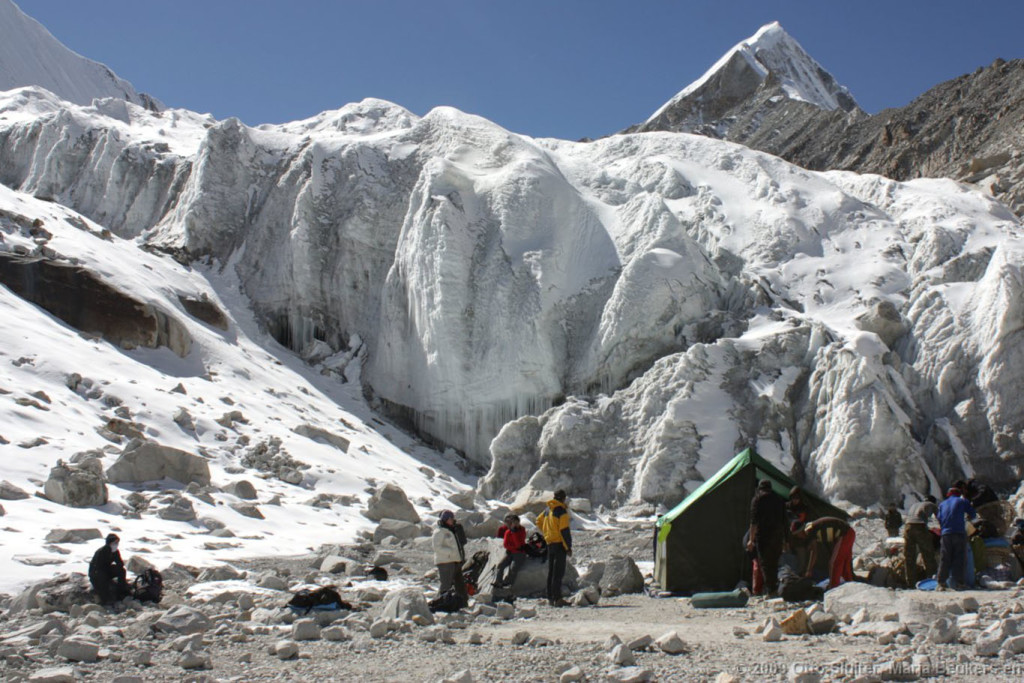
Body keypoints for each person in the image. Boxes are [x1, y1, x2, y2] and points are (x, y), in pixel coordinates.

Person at [746, 480, 787, 596]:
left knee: (765, 563)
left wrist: (751, 540)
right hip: (778, 536)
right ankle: (774, 589)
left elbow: (753, 522)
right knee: (774, 562)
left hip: (764, 536)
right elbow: (785, 521)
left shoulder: (757, 500)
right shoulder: (779, 499)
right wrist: (786, 540)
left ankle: (771, 590)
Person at [793, 517, 855, 589]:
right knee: (845, 562)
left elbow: (814, 551)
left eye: (797, 534)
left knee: (834, 563)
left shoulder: (809, 530)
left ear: (801, 531)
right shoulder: (811, 527)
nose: (799, 537)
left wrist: (809, 570)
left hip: (845, 534)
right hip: (848, 532)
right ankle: (849, 583)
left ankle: (833, 587)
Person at [936, 487, 976, 591]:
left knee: (945, 558)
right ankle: (960, 583)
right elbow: (973, 514)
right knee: (959, 557)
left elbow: (939, 518)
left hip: (945, 534)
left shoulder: (942, 504)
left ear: (948, 494)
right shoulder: (962, 501)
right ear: (959, 494)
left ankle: (941, 583)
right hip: (959, 532)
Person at [539, 489, 572, 607]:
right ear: (563, 498)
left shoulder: (548, 509)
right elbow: (564, 531)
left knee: (551, 571)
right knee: (558, 572)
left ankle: (550, 598)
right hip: (559, 544)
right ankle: (558, 598)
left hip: (549, 543)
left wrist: (547, 532)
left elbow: (538, 520)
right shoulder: (561, 511)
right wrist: (568, 547)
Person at [432, 510, 467, 602]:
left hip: (454, 561)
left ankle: (462, 602)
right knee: (446, 584)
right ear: (445, 520)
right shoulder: (439, 532)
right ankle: (441, 601)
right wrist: (450, 552)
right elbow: (437, 547)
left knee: (459, 583)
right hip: (445, 562)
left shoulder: (451, 530)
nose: (452, 520)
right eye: (450, 519)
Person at [903, 495, 938, 586]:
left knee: (909, 556)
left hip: (907, 527)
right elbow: (940, 518)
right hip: (920, 527)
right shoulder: (931, 504)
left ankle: (910, 582)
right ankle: (932, 580)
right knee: (928, 554)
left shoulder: (915, 504)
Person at [88, 533, 128, 606]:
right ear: (109, 543)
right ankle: (105, 599)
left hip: (106, 570)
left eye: (117, 543)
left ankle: (121, 592)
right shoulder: (101, 552)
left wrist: (118, 565)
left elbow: (120, 563)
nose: (116, 544)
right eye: (114, 543)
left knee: (122, 570)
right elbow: (97, 567)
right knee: (102, 577)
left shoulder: (115, 551)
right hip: (96, 573)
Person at [493, 514, 527, 590]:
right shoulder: (508, 532)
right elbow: (506, 545)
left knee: (513, 568)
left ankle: (508, 583)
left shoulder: (522, 530)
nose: (516, 524)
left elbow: (518, 544)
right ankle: (499, 582)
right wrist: (513, 546)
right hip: (510, 552)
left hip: (519, 553)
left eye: (517, 522)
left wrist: (514, 534)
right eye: (514, 522)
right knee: (500, 565)